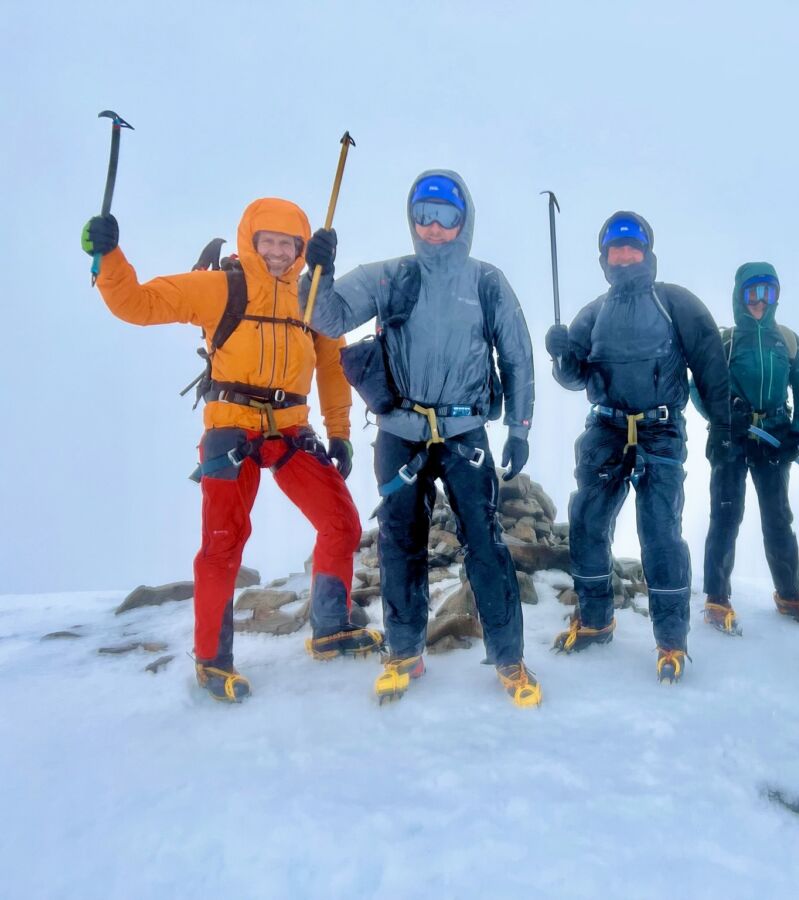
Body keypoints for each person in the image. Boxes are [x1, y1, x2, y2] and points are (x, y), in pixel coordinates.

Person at [81, 199, 374, 703]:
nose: (279, 252)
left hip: (291, 432)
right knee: (224, 544)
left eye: (290, 244)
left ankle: (330, 630)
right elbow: (138, 303)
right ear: (251, 242)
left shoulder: (312, 300)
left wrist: (340, 432)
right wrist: (108, 257)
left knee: (342, 522)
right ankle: (213, 661)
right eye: (270, 242)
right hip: (231, 432)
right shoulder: (221, 287)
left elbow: (332, 367)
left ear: (303, 250)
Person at [302, 170, 540, 708]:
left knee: (485, 544)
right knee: (400, 544)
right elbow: (326, 313)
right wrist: (316, 271)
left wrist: (519, 427)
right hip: (399, 434)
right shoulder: (389, 277)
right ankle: (404, 652)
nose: (434, 227)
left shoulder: (486, 282)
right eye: (424, 215)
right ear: (412, 220)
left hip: (464, 434)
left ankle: (510, 658)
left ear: (464, 221)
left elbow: (518, 357)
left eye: (446, 216)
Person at [545, 211, 730, 683]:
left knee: (660, 532)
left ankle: (671, 641)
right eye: (615, 248)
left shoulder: (674, 302)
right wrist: (561, 354)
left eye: (632, 246)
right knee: (587, 521)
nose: (624, 255)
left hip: (660, 429)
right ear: (604, 258)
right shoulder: (593, 313)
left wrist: (725, 422)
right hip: (604, 429)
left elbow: (709, 361)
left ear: (647, 253)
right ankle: (595, 619)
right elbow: (574, 377)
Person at [693, 263, 799, 635]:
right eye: (753, 293)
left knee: (778, 516)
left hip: (774, 439)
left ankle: (789, 593)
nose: (761, 302)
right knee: (726, 514)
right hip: (732, 438)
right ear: (740, 296)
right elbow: (697, 386)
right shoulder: (725, 341)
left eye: (769, 293)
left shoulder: (788, 340)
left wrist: (797, 432)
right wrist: (723, 415)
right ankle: (717, 596)